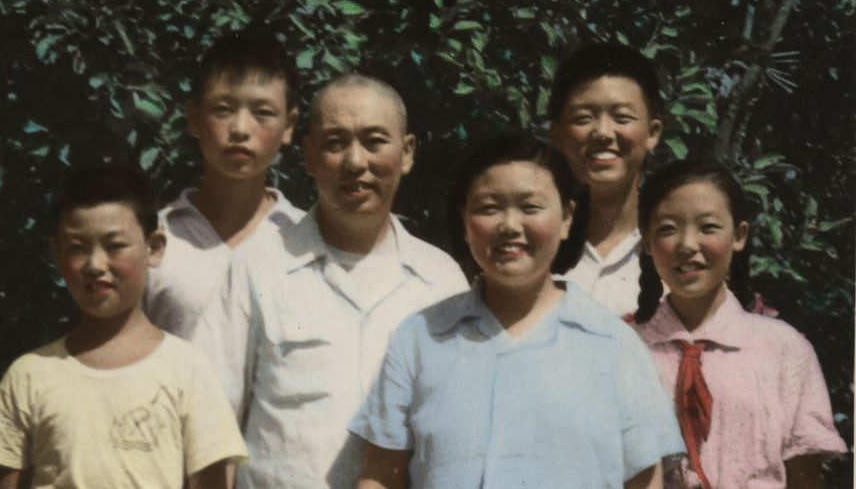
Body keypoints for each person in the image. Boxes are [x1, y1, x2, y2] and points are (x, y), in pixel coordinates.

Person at [350, 134, 684, 489]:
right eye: (489, 208)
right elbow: (380, 477)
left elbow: (645, 481)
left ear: (567, 217)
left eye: (530, 207)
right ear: (464, 220)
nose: (509, 225)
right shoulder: (419, 338)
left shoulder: (614, 345)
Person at [197, 74, 469, 489]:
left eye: (374, 141)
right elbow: (209, 425)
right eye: (335, 143)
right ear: (309, 155)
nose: (355, 161)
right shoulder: (258, 267)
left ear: (407, 152)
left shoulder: (441, 281)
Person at [0, 165, 248, 489]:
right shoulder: (28, 376)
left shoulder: (189, 370)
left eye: (115, 246)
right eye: (76, 248)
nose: (95, 265)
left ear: (154, 247)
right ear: (56, 253)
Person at [633, 160, 847, 488]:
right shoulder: (626, 350)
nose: (687, 244)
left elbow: (806, 477)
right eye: (668, 229)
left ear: (739, 235)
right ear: (647, 241)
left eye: (708, 227)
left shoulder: (785, 350)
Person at [144, 29, 304, 340]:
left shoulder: (306, 240)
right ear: (193, 117)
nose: (241, 129)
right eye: (222, 110)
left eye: (263, 113)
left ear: (289, 125)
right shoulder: (155, 239)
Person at [548, 43, 663, 319]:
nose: (603, 132)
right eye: (583, 118)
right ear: (556, 135)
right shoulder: (531, 244)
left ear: (652, 133)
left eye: (622, 117)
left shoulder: (677, 252)